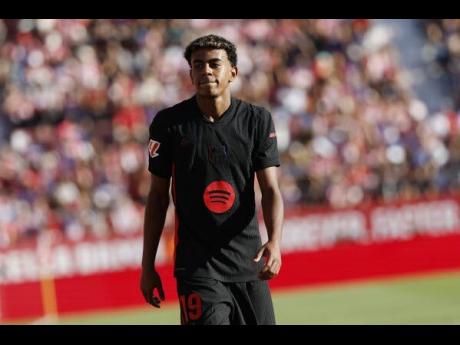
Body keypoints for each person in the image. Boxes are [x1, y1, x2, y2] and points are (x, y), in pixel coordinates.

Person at [140, 34, 284, 325]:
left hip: (249, 262)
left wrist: (275, 241)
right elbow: (157, 197)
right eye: (198, 65)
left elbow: (270, 189)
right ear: (190, 73)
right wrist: (147, 265)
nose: (205, 70)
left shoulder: (257, 120)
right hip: (197, 266)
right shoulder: (169, 124)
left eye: (214, 64)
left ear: (233, 72)